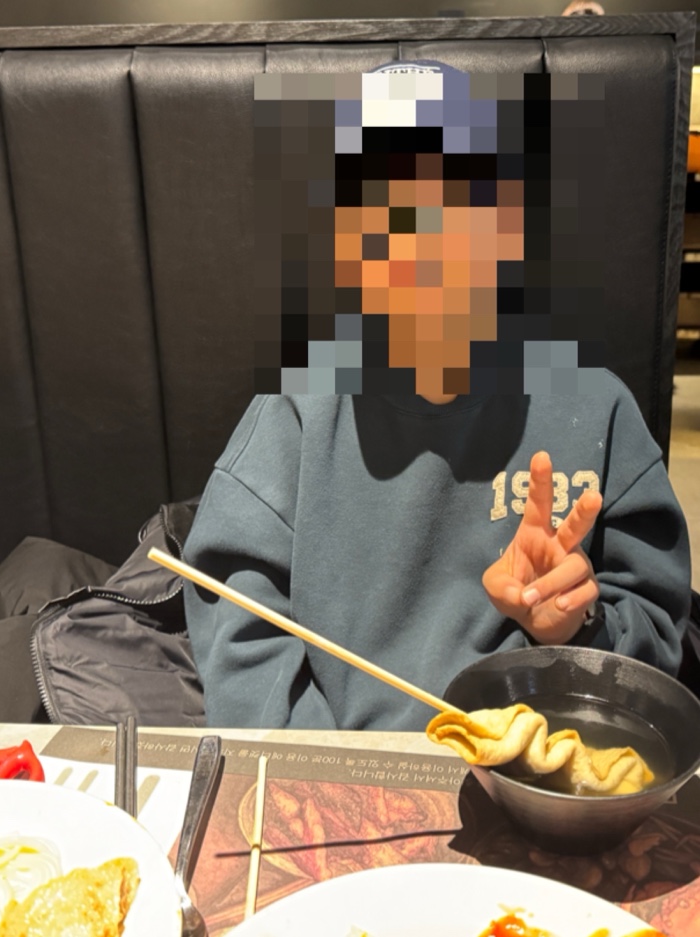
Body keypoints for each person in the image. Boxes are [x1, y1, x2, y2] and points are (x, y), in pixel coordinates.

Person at [183, 61, 691, 732]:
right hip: (339, 778)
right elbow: (238, 627)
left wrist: (576, 625)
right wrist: (332, 772)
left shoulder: (594, 407)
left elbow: (656, 640)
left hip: (535, 771)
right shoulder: (295, 411)